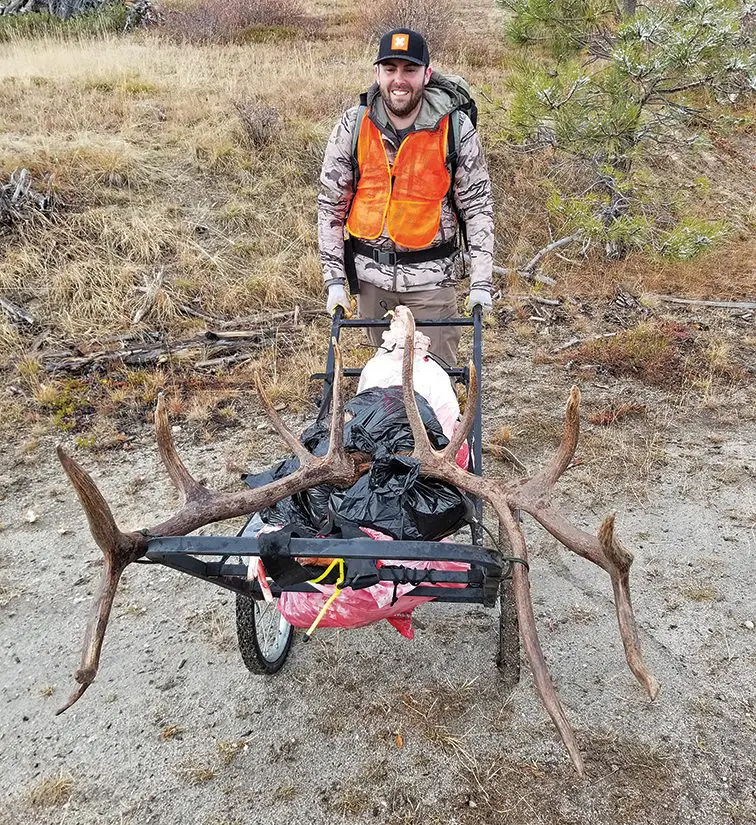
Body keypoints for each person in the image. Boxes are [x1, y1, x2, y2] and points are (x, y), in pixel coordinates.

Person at [318, 28, 495, 366]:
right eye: (390, 69)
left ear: (426, 74)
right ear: (377, 73)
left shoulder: (454, 128)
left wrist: (481, 283)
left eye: (409, 70)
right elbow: (331, 206)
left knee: (433, 387)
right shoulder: (353, 126)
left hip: (432, 284)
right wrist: (335, 282)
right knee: (386, 383)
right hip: (372, 285)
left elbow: (478, 208)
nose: (399, 80)